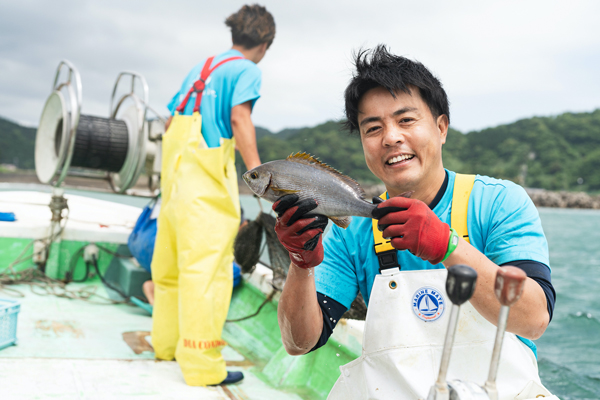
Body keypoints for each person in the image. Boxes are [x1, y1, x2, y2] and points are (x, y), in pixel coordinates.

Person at [274, 46, 556, 399]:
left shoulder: (498, 202)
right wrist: (301, 265)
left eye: (406, 120)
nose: (391, 137)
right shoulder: (352, 228)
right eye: (373, 128)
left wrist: (447, 245)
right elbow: (301, 341)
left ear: (441, 127)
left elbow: (534, 319)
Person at [151, 4, 275, 387]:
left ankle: (166, 345)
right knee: (208, 275)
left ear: (235, 34)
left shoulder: (202, 68)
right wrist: (258, 175)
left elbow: (171, 121)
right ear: (266, 43)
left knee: (170, 271)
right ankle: (203, 366)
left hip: (173, 188)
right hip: (205, 190)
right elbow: (239, 118)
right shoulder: (247, 70)